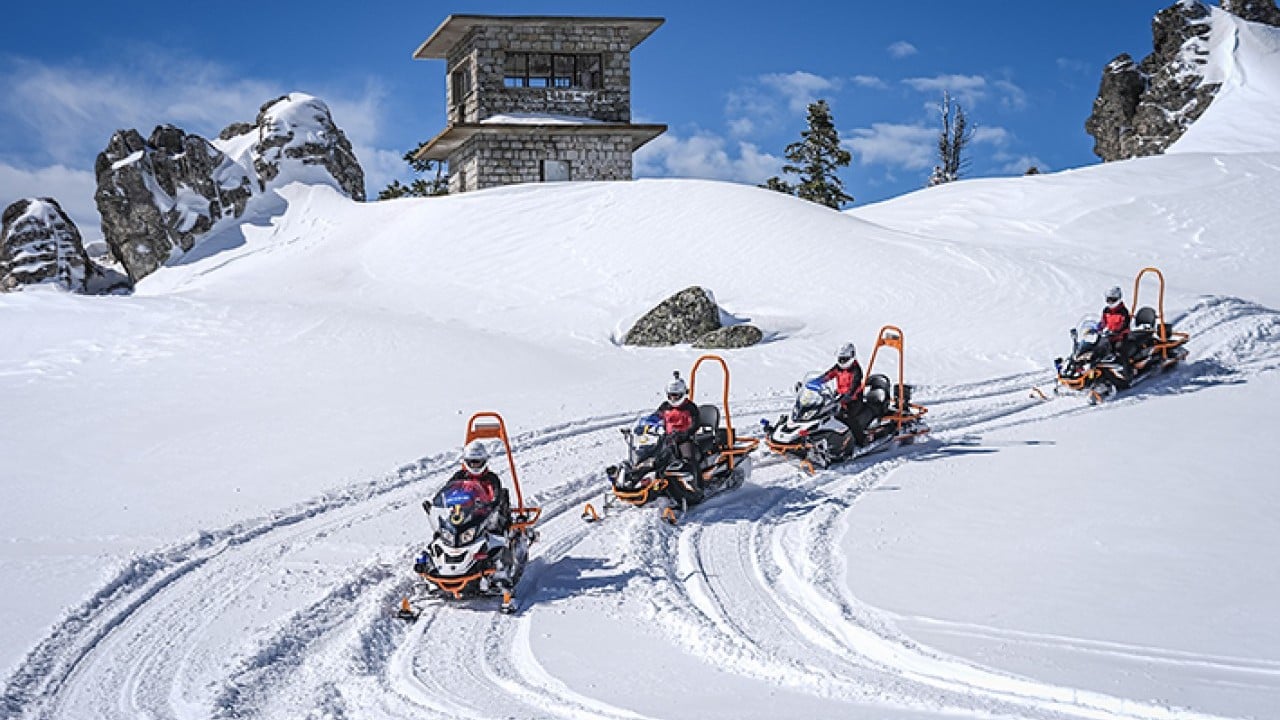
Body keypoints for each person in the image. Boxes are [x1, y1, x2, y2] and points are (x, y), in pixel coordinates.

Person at [655, 371, 701, 472]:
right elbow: (656, 417)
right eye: (671, 395)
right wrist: (646, 424)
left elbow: (695, 424)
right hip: (668, 437)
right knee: (653, 455)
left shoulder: (690, 407)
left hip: (684, 439)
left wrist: (684, 434)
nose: (673, 398)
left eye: (676, 395)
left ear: (683, 394)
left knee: (689, 459)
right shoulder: (665, 406)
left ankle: (697, 484)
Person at [821, 342, 864, 430]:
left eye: (845, 359)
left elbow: (854, 387)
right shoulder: (838, 368)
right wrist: (815, 382)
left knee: (847, 418)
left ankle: (861, 439)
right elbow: (828, 375)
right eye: (840, 359)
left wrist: (846, 397)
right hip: (840, 398)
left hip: (853, 400)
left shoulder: (856, 370)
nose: (842, 362)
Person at [1097, 286, 1131, 360]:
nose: (1110, 302)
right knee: (1097, 348)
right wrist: (1098, 328)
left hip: (1120, 337)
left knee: (1120, 351)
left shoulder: (1123, 311)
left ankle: (1127, 370)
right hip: (1108, 336)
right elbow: (1103, 322)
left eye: (1113, 300)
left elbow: (1125, 325)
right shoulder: (1106, 310)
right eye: (1108, 300)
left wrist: (1116, 331)